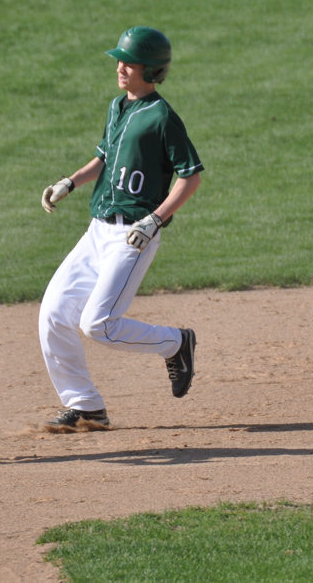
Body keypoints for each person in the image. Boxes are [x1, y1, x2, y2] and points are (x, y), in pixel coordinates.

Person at [39, 26, 204, 430]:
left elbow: (190, 176)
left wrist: (154, 220)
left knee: (98, 324)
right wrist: (70, 181)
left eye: (128, 62)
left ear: (150, 69)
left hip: (133, 236)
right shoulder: (118, 106)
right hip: (97, 230)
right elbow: (104, 157)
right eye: (119, 60)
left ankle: (176, 342)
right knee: (53, 315)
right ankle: (85, 405)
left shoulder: (163, 118)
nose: (119, 67)